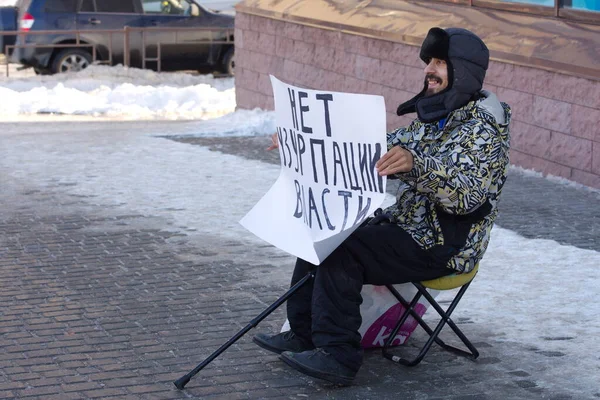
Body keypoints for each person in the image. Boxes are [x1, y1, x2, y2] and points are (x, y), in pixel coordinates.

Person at [254, 27, 511, 386]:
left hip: (444, 244)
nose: (429, 70)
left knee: (342, 251)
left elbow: (467, 197)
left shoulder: (483, 131)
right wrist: (304, 137)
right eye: (429, 62)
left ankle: (338, 356)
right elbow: (372, 146)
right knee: (325, 229)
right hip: (408, 229)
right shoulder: (438, 117)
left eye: (440, 62)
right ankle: (304, 333)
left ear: (464, 70)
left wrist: (416, 166)